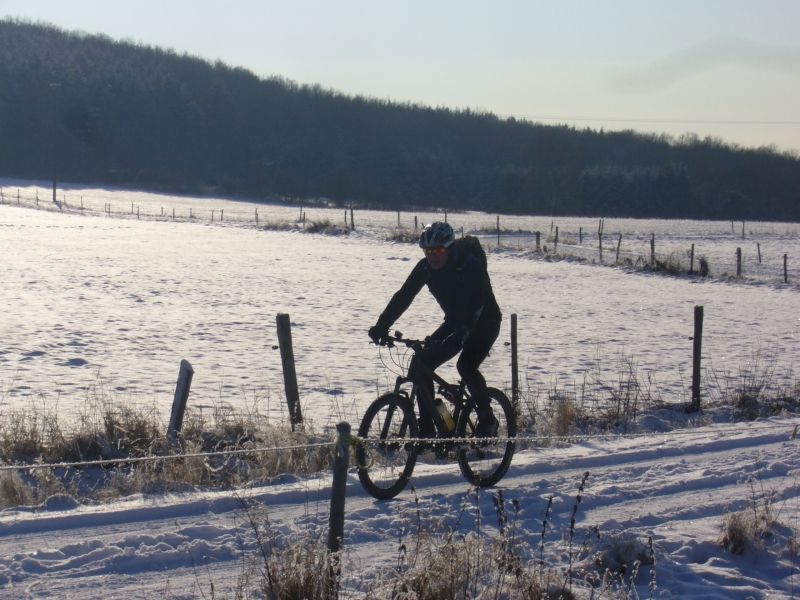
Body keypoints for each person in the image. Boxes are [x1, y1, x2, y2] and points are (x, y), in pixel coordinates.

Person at [368, 221, 502, 438]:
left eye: (439, 250)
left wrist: (461, 335)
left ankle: (487, 418)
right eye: (428, 251)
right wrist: (381, 326)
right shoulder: (425, 268)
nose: (433, 256)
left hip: (485, 320)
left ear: (449, 249)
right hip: (455, 321)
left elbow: (478, 302)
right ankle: (431, 428)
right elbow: (404, 296)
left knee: (466, 365)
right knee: (421, 364)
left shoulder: (469, 264)